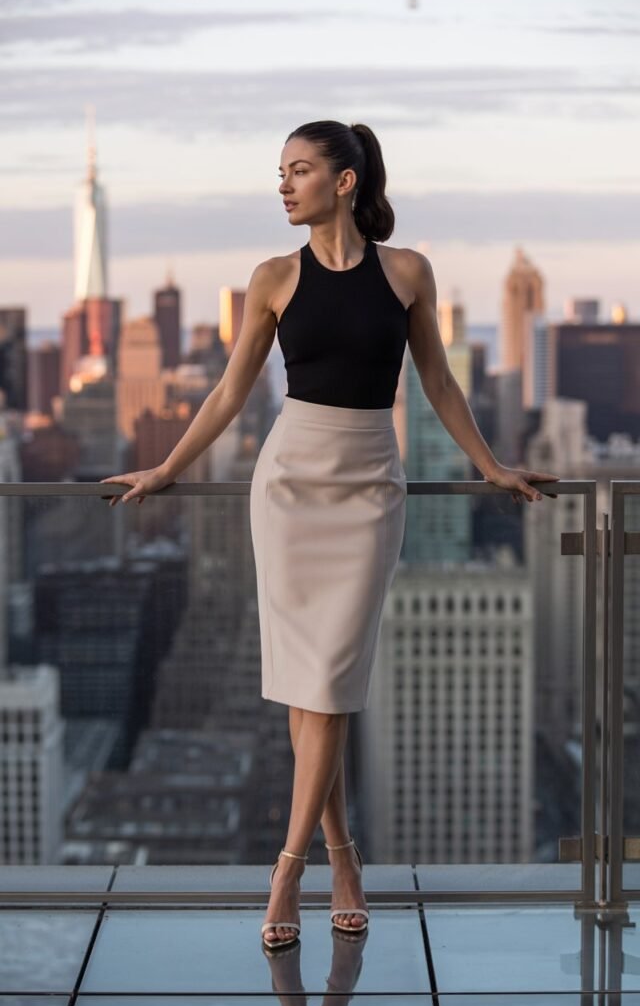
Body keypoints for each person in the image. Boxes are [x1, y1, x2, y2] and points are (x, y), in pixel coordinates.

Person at [100, 119, 560, 952]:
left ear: (344, 181)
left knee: (332, 682)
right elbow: (231, 393)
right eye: (280, 171)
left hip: (368, 486)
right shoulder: (273, 277)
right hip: (289, 488)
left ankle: (291, 869)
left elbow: (438, 383)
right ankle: (336, 858)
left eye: (299, 170)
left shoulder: (408, 271)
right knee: (313, 688)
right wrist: (166, 469)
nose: (283, 184)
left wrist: (490, 466)